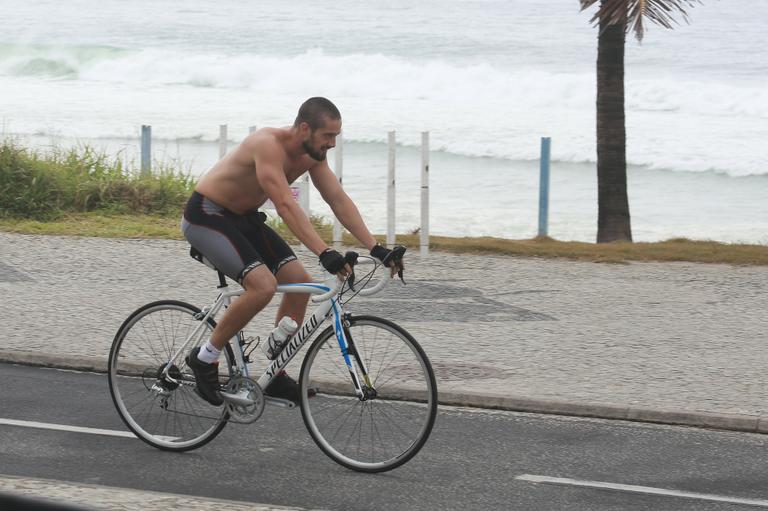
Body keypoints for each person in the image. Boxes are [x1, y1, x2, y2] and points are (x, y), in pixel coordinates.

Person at [181, 97, 404, 406]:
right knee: (262, 287)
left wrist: (376, 247)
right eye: (328, 136)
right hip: (207, 215)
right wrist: (324, 251)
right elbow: (285, 204)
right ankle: (205, 358)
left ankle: (275, 375)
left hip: (243, 219)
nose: (333, 144)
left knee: (300, 284)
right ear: (304, 128)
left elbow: (337, 198)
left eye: (336, 137)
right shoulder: (267, 144)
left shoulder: (313, 155)